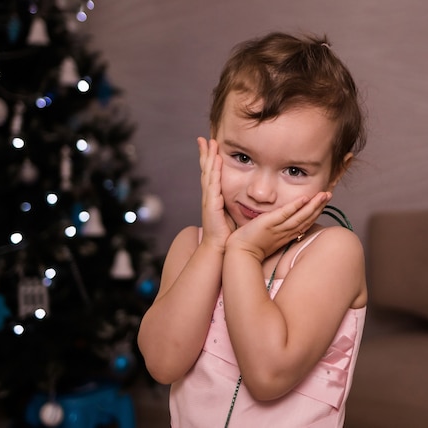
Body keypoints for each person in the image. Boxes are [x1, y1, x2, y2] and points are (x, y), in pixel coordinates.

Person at [137, 31, 368, 427]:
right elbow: (162, 363)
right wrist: (214, 246)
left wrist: (243, 253)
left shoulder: (333, 252)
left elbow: (268, 375)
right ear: (213, 141)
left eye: (294, 170)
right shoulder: (192, 246)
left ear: (335, 173)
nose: (260, 192)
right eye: (241, 156)